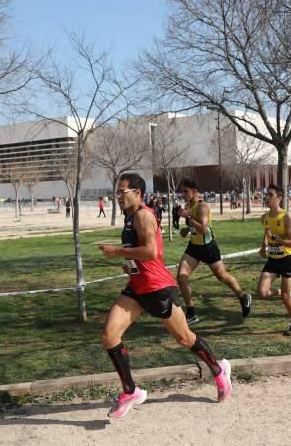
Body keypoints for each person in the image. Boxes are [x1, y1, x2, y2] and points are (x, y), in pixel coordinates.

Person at [98, 173, 232, 419]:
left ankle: (218, 369)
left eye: (122, 192)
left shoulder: (143, 215)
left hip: (158, 288)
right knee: (109, 335)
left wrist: (116, 252)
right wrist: (127, 266)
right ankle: (130, 391)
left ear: (137, 193)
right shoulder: (130, 217)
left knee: (185, 338)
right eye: (116, 192)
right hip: (137, 288)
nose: (117, 197)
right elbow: (138, 257)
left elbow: (151, 252)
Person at [176, 179, 251, 324]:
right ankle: (191, 313)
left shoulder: (202, 206)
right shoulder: (188, 206)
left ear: (195, 191)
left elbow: (204, 229)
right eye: (182, 191)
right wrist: (186, 230)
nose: (183, 194)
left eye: (186, 191)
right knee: (181, 277)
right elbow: (195, 229)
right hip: (194, 247)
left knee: (222, 277)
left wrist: (188, 218)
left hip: (208, 247)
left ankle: (243, 297)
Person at [257, 184, 291, 335]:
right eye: (266, 195)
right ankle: (282, 291)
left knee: (285, 297)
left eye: (270, 195)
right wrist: (264, 246)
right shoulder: (264, 218)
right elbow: (267, 231)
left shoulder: (286, 216)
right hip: (273, 260)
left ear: (280, 198)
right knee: (262, 292)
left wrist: (275, 239)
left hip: (288, 259)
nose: (267, 197)